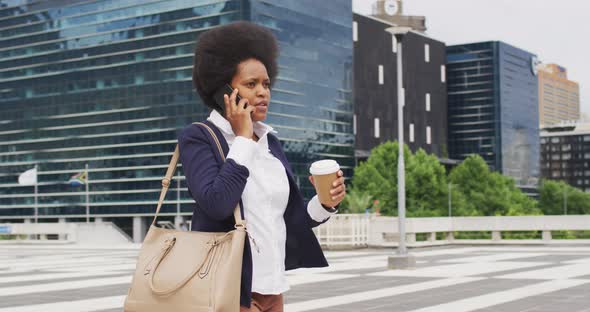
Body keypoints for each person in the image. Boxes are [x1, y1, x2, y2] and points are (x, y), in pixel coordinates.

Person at [178, 21, 347, 312]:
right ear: (224, 91)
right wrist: (242, 139)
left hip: (273, 289)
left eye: (266, 84)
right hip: (229, 292)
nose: (263, 93)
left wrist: (324, 203)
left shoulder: (270, 140)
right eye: (251, 84)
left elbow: (283, 218)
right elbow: (216, 203)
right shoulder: (199, 138)